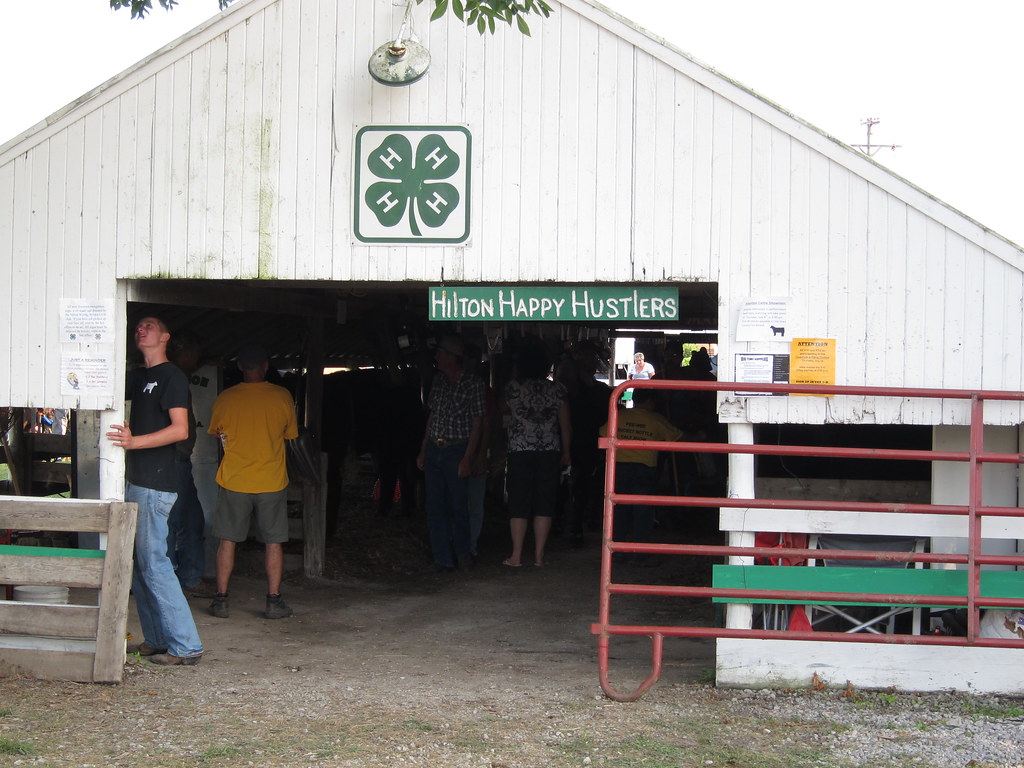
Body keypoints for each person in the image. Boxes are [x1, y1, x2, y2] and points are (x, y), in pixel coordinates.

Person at [106, 316, 204, 666]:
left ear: (165, 336)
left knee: (156, 564)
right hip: (137, 480)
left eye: (149, 325)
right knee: (142, 565)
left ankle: (186, 644)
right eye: (138, 327)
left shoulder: (172, 376)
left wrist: (134, 442)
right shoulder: (140, 377)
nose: (141, 329)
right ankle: (158, 639)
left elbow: (180, 430)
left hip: (156, 483)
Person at [207, 344, 299, 620]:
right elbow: (290, 435)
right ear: (266, 366)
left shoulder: (226, 398)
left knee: (227, 541)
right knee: (273, 543)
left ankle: (221, 600)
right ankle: (273, 601)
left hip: (234, 479)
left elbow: (217, 433)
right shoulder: (281, 397)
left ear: (240, 367)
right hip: (270, 480)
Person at [416, 335, 485, 572]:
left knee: (458, 506)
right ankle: (442, 558)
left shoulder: (473, 384)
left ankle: (463, 553)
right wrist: (424, 447)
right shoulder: (438, 382)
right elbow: (432, 416)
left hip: (457, 449)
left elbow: (478, 423)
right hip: (437, 447)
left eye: (441, 354)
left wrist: (468, 457)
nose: (437, 358)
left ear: (453, 358)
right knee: (435, 506)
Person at [502, 343, 571, 567]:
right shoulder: (558, 390)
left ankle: (516, 555)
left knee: (519, 502)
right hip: (549, 450)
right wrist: (567, 451)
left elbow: (503, 415)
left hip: (520, 449)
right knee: (545, 502)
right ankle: (539, 556)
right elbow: (566, 425)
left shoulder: (512, 388)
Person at [599, 387, 683, 561]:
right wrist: (701, 436)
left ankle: (618, 550)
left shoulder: (620, 415)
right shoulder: (655, 419)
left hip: (619, 467)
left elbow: (602, 432)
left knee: (620, 508)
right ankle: (641, 553)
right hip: (644, 468)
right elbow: (677, 437)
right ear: (651, 401)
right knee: (643, 510)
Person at [165, 330, 209, 595]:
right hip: (173, 459)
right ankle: (170, 580)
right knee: (174, 520)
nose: (195, 359)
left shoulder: (175, 376)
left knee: (190, 519)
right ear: (183, 354)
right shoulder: (172, 378)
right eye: (192, 354)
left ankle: (189, 577)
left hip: (181, 459)